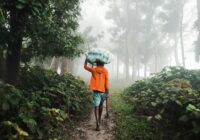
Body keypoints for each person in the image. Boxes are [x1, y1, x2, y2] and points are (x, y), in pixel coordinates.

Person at [84, 59, 109, 131]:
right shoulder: (105, 71)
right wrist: (107, 92)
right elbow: (107, 82)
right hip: (103, 91)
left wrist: (87, 59)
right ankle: (100, 118)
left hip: (96, 92)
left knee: (96, 107)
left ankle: (97, 123)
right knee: (101, 105)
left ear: (97, 63)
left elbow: (85, 67)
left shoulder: (94, 70)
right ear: (103, 64)